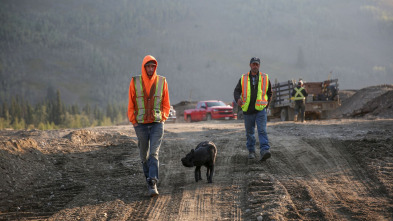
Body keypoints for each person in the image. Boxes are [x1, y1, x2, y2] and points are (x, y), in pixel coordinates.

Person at [128, 55, 170, 197]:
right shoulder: (135, 82)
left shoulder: (162, 81)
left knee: (154, 153)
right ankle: (148, 178)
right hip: (140, 125)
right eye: (148, 66)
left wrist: (163, 118)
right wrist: (133, 121)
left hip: (157, 124)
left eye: (153, 66)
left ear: (155, 67)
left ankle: (153, 181)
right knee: (143, 156)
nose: (151, 69)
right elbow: (131, 103)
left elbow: (166, 103)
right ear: (144, 67)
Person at [233, 57, 272, 161]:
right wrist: (238, 99)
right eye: (253, 64)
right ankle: (251, 151)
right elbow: (236, 91)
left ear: (259, 66)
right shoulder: (243, 78)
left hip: (260, 110)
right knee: (250, 133)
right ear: (250, 65)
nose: (255, 66)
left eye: (257, 64)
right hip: (248, 111)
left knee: (262, 130)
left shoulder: (265, 77)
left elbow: (269, 93)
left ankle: (265, 150)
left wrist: (266, 105)